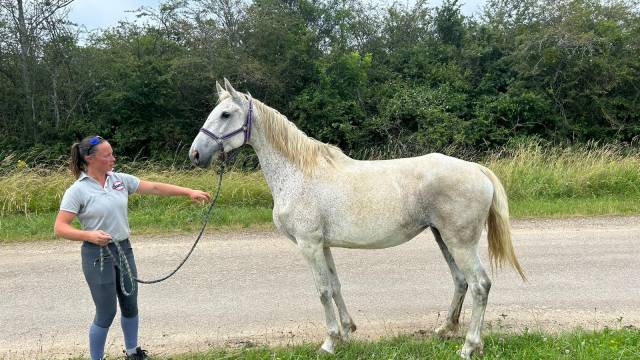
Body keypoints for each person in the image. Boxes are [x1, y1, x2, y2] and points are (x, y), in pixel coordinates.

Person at [53, 135, 211, 360]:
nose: (113, 158)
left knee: (130, 305)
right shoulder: (77, 190)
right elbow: (60, 227)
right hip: (97, 255)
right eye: (107, 155)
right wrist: (88, 235)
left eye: (112, 153)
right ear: (90, 159)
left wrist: (188, 191)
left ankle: (133, 352)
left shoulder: (119, 180)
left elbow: (155, 187)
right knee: (106, 312)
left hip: (124, 249)